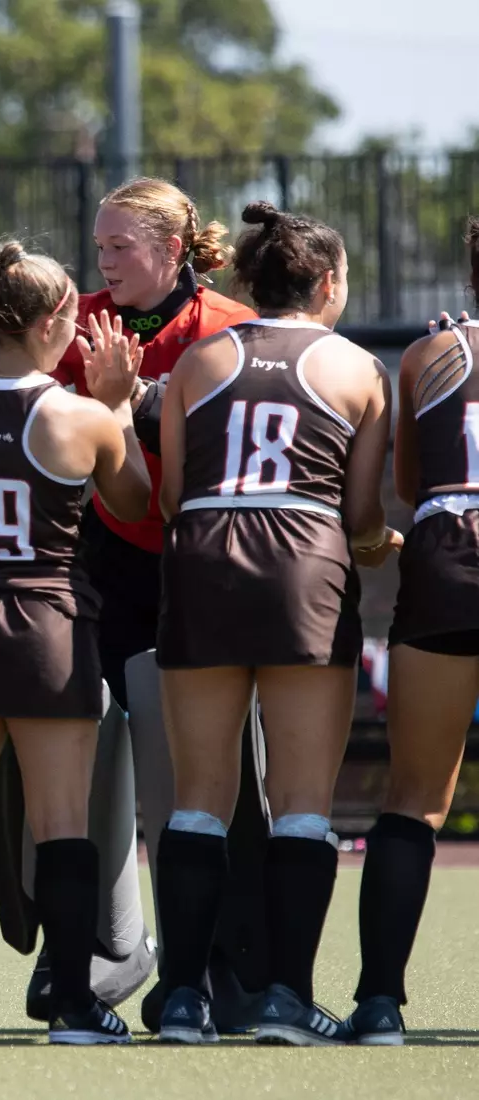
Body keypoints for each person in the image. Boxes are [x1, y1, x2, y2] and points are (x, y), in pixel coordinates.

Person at [0, 177, 270, 1031]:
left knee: (201, 774)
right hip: (95, 572)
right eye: (99, 244)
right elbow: (17, 417)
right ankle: (102, 949)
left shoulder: (228, 329)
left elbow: (221, 457)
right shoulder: (72, 322)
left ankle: (212, 963)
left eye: (119, 246)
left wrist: (133, 403)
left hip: (199, 572)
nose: (101, 260)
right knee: (83, 755)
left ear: (172, 250)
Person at [153, 201, 398, 1046]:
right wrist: (376, 544)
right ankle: (287, 999)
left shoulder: (198, 360)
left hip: (203, 557)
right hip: (305, 564)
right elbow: (361, 515)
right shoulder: (359, 368)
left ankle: (182, 999)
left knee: (198, 801)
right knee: (301, 802)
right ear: (326, 281)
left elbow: (171, 498)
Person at [0, 241, 149, 1045]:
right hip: (49, 628)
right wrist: (118, 405)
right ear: (51, 324)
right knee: (61, 822)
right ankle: (74, 1006)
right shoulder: (82, 416)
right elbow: (136, 502)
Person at [342, 222, 479, 1045]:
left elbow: (409, 483)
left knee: (416, 799)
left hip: (446, 554)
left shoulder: (430, 353)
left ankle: (378, 1004)